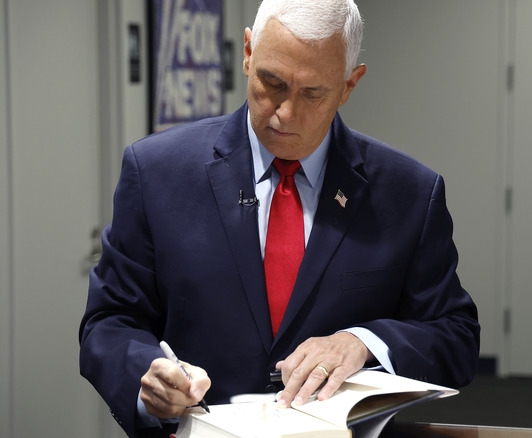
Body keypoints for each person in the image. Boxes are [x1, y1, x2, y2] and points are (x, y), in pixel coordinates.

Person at [79, 0, 480, 437]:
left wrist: (363, 342)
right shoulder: (157, 171)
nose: (285, 113)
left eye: (313, 93)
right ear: (248, 53)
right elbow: (110, 322)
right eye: (272, 83)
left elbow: (455, 337)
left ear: (349, 85)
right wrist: (147, 380)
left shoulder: (408, 193)